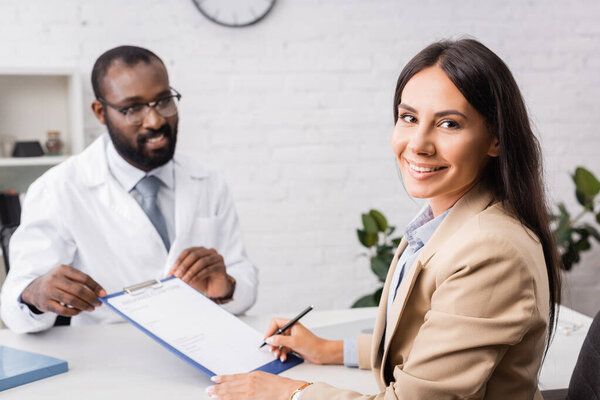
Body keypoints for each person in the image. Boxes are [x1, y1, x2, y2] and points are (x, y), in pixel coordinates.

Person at [205, 39, 561, 400]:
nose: (418, 144)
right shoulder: (441, 223)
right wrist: (328, 349)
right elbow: (429, 339)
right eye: (409, 118)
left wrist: (291, 393)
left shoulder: (491, 250)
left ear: (496, 140)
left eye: (449, 124)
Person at [0, 46, 257, 334]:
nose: (156, 120)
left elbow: (244, 277)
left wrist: (226, 285)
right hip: (111, 354)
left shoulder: (208, 180)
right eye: (133, 108)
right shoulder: (58, 188)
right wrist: (35, 294)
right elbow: (14, 307)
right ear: (100, 112)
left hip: (203, 342)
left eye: (163, 101)